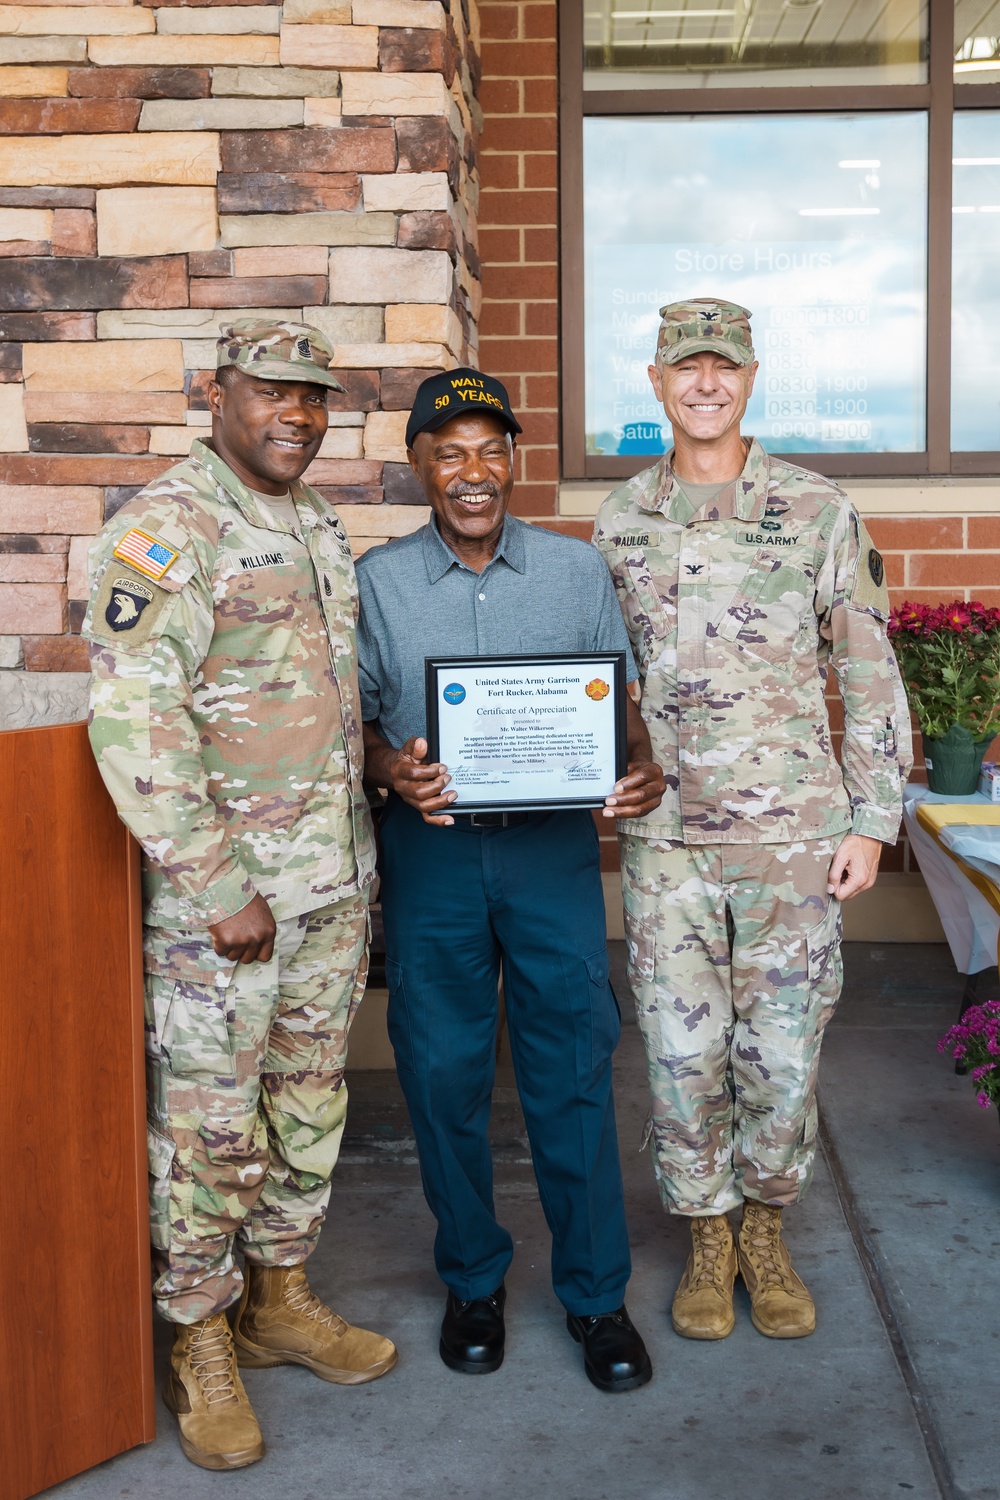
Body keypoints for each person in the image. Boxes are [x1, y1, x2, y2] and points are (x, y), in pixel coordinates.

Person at [83, 319, 396, 1472]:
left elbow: (312, 697)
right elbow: (133, 717)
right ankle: (200, 1334)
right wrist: (217, 884)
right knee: (211, 1127)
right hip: (231, 906)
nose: (297, 415)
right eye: (273, 392)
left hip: (330, 882)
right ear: (217, 392)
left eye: (314, 397)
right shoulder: (170, 528)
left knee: (308, 1106)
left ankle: (280, 1300)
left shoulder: (314, 520)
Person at [594, 300, 912, 1343]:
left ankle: (765, 1224)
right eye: (685, 367)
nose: (704, 384)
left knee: (780, 1052)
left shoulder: (817, 510)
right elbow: (600, 685)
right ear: (654, 382)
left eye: (722, 367)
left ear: (750, 376)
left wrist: (870, 820)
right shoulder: (620, 520)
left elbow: (867, 673)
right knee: (682, 1056)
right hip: (668, 845)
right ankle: (706, 1232)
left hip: (792, 841)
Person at [356, 368, 665, 1393]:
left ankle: (594, 1295)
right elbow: (351, 724)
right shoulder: (377, 581)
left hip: (550, 858)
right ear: (419, 467)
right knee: (441, 1075)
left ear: (514, 462)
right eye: (449, 453)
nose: (472, 471)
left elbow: (617, 702)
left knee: (572, 1069)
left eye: (491, 450)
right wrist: (389, 766)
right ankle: (473, 1280)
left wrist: (639, 763)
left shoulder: (576, 573)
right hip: (433, 855)